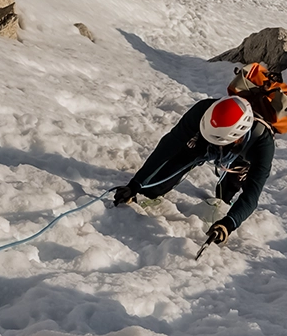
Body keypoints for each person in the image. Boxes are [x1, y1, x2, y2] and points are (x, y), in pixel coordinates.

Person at [111, 91, 277, 248]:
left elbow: (251, 194)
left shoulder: (263, 147)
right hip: (202, 144)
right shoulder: (202, 111)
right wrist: (135, 184)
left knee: (224, 195)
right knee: (154, 187)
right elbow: (169, 145)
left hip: (242, 157)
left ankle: (226, 195)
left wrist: (228, 224)